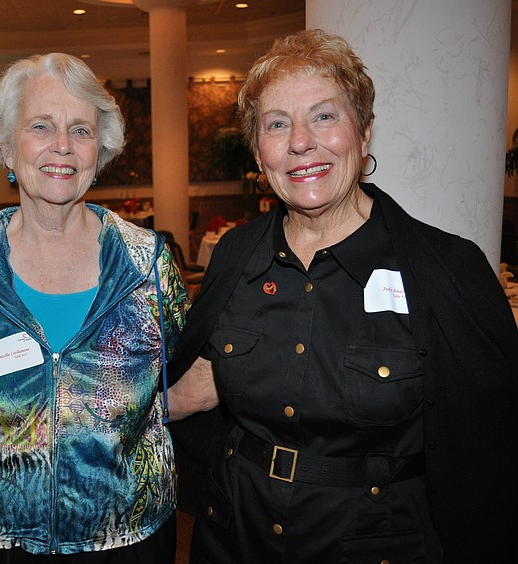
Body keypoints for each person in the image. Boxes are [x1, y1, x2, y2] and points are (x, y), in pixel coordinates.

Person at [166, 29, 518, 563]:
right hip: (235, 538)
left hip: (373, 546)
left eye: (324, 116)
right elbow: (198, 381)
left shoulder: (447, 270)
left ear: (364, 131)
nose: (300, 142)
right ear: (259, 151)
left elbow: (492, 449)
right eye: (276, 124)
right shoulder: (235, 255)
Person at [0, 52, 190, 562]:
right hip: (7, 542)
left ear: (101, 149)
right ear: (7, 148)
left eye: (81, 130)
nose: (63, 146)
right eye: (41, 126)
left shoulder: (147, 264)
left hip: (130, 541)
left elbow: (182, 377)